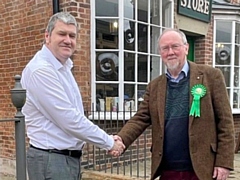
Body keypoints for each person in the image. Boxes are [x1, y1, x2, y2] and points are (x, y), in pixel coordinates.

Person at [111, 28, 235, 180]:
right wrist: (121, 139)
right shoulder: (155, 86)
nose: (170, 52)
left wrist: (224, 162)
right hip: (168, 169)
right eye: (165, 48)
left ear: (186, 48)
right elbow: (140, 118)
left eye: (175, 46)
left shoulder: (211, 76)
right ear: (160, 53)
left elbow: (226, 123)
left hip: (203, 169)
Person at [21, 12, 125, 180]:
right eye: (62, 34)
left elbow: (75, 115)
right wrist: (109, 142)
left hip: (63, 160)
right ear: (47, 36)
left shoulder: (62, 67)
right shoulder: (41, 70)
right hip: (51, 161)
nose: (68, 40)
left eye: (72, 35)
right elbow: (69, 119)